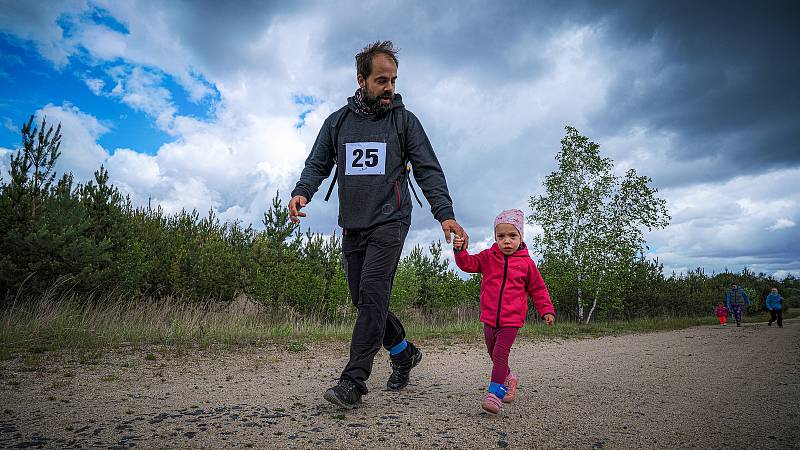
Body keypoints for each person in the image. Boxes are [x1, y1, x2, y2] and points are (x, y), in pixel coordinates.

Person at [288, 41, 468, 409]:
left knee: (372, 292)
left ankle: (353, 381)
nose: (390, 88)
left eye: (394, 80)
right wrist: (302, 192)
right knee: (363, 299)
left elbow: (429, 170)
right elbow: (317, 163)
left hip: (391, 219)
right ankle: (403, 352)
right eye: (381, 80)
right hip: (353, 223)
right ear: (361, 80)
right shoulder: (337, 122)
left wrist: (444, 213)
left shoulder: (404, 121)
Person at [452, 209, 554, 414]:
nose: (507, 241)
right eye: (501, 236)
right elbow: (467, 264)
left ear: (521, 237)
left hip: (511, 321)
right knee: (492, 352)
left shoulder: (526, 264)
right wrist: (460, 251)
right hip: (490, 318)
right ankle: (509, 378)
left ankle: (494, 394)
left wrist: (546, 310)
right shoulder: (489, 257)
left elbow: (538, 289)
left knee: (500, 354)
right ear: (495, 237)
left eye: (512, 236)